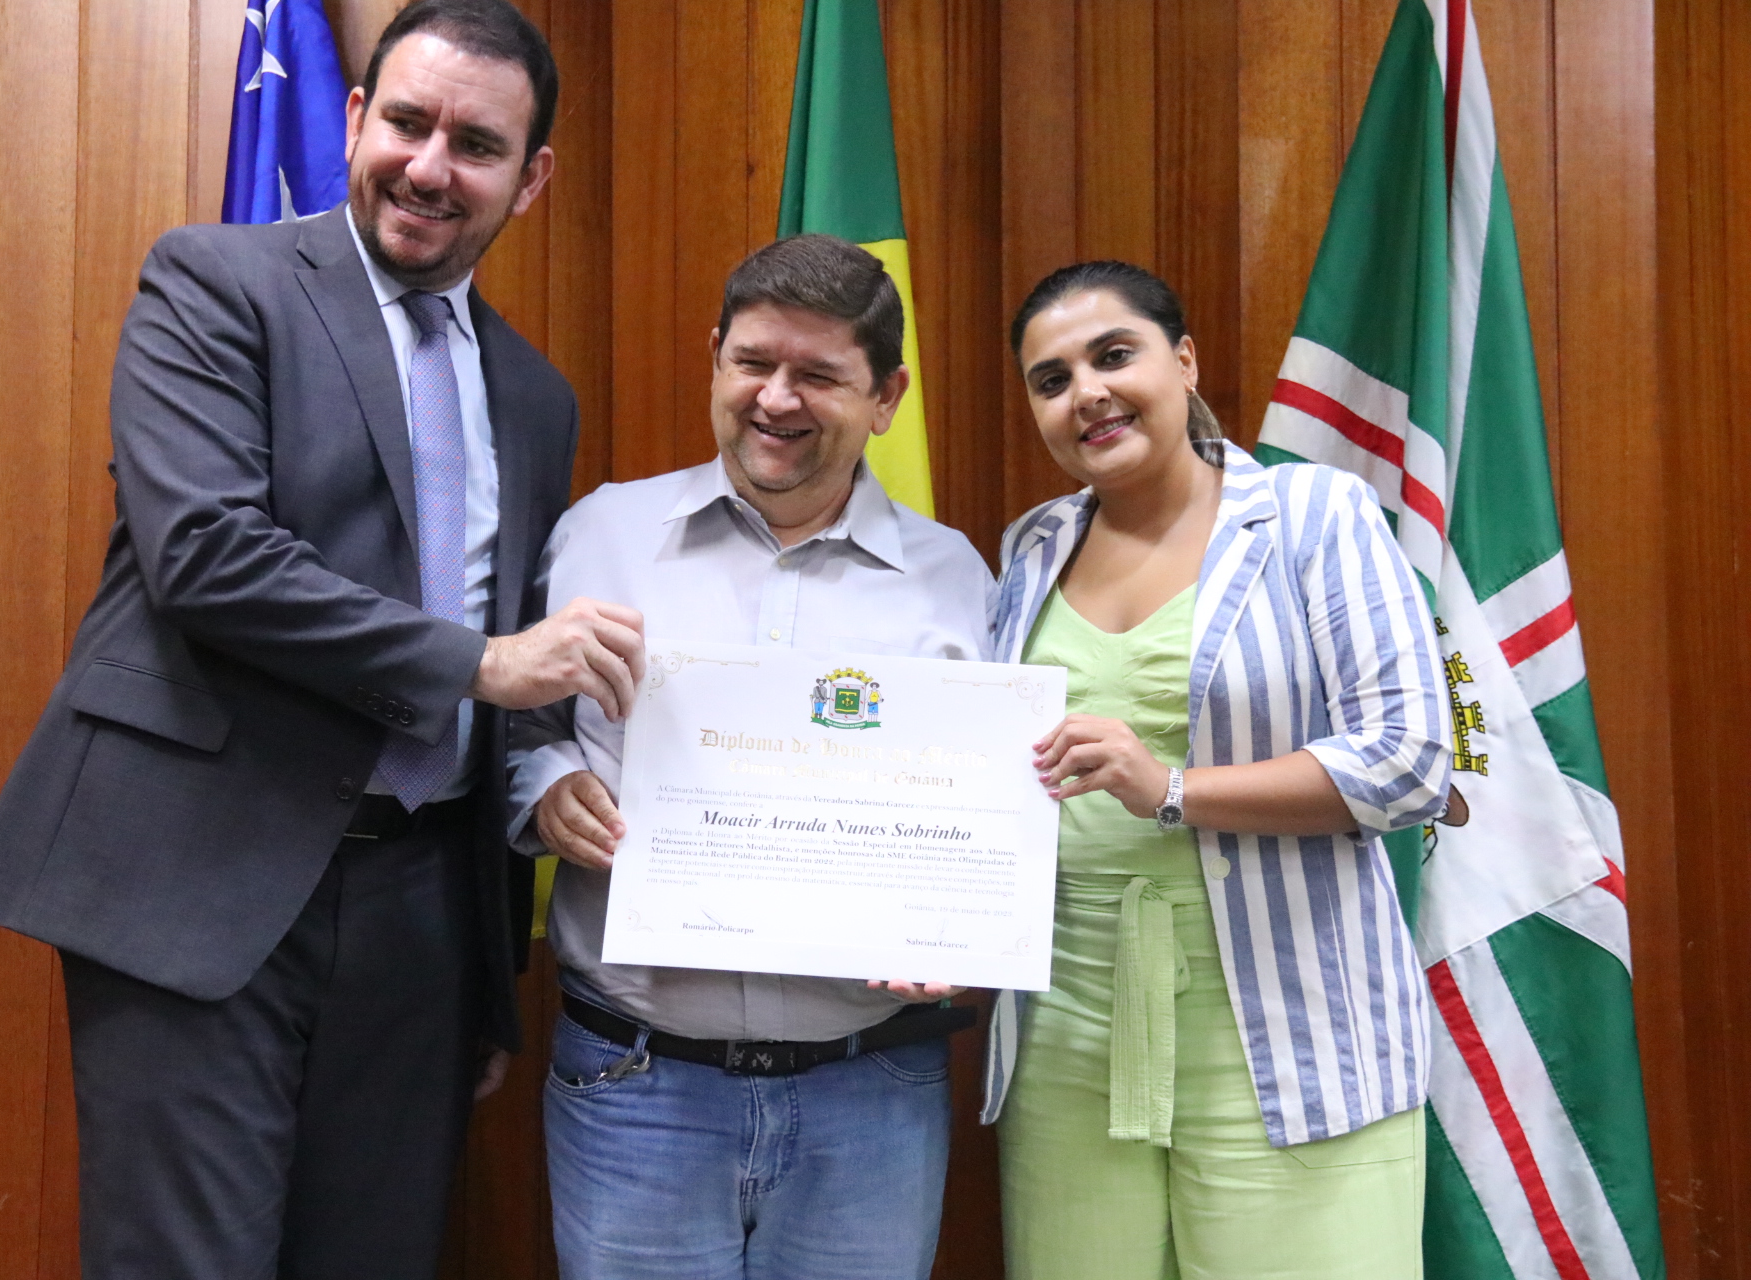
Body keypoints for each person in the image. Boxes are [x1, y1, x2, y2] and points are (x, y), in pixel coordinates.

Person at [0, 4, 645, 1276]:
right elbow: (207, 556)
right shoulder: (216, 282)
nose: (431, 166)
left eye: (477, 145)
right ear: (356, 118)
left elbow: (519, 683)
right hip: (201, 877)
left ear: (530, 178)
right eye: (409, 123)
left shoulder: (538, 397)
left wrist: (488, 975)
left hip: (421, 916)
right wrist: (480, 664)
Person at [509, 234, 996, 1280]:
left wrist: (962, 922)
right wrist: (546, 789)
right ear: (714, 359)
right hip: (636, 1086)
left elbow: (995, 806)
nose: (777, 398)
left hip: (872, 1092)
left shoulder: (955, 579)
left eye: (818, 374)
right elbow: (516, 723)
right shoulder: (600, 533)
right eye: (754, 362)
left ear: (887, 397)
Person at [983, 260, 1452, 1279]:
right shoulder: (1032, 546)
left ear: (1184, 360)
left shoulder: (1316, 513)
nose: (1087, 393)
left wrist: (1170, 789)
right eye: (1052, 380)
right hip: (1068, 1031)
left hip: (1288, 1025)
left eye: (1114, 355)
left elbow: (1408, 760)